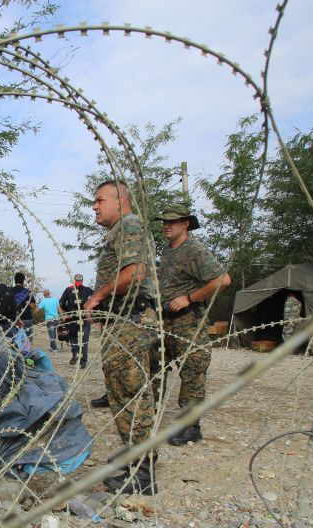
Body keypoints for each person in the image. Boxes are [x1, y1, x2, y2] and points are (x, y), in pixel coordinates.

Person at [84, 180, 159, 495]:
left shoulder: (130, 225)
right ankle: (136, 459)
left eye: (100, 200)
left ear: (121, 200)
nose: (95, 207)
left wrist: (96, 297)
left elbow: (134, 273)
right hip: (123, 320)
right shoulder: (119, 231)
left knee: (131, 394)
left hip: (132, 320)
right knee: (123, 393)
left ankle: (142, 471)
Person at [154, 204, 231, 446]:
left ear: (186, 224)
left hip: (188, 321)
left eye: (172, 222)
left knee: (192, 374)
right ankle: (150, 415)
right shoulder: (167, 252)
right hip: (164, 321)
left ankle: (191, 426)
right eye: (164, 222)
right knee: (155, 368)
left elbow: (223, 280)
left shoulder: (195, 250)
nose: (166, 226)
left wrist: (188, 298)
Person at [59, 274, 94, 368]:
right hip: (84, 316)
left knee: (72, 336)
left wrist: (67, 311)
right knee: (84, 340)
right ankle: (83, 362)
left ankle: (75, 352)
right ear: (82, 280)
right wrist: (89, 309)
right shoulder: (87, 289)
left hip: (72, 316)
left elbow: (61, 302)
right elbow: (95, 298)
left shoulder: (68, 289)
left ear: (74, 280)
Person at [11, 272, 35, 338]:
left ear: (15, 280)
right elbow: (32, 306)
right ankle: (27, 348)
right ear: (23, 281)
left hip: (14, 319)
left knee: (15, 340)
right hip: (27, 318)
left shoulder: (10, 291)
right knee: (28, 339)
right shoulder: (27, 292)